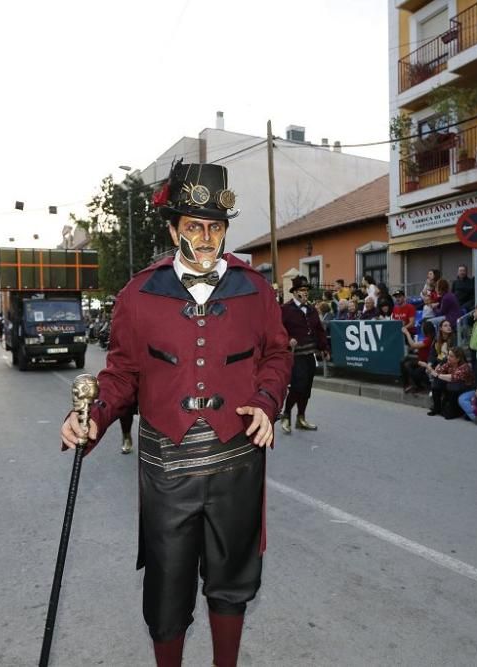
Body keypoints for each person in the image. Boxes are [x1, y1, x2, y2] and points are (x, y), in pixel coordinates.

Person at [59, 161, 291, 667]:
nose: (206, 238)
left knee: (232, 583)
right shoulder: (139, 294)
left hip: (237, 462)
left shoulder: (255, 290)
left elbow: (278, 354)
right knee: (167, 588)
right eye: (194, 227)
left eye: (215, 227)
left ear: (226, 230)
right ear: (173, 229)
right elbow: (121, 374)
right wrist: (93, 417)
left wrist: (268, 401)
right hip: (167, 468)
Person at [281, 275, 330, 434]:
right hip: (296, 355)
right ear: (294, 292)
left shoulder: (311, 309)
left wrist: (324, 348)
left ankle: (301, 418)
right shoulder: (285, 310)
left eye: (307, 290)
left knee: (307, 388)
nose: (305, 293)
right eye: (302, 290)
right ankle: (286, 415)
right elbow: (276, 331)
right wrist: (288, 340)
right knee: (297, 386)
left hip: (310, 354)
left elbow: (319, 330)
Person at [427, 346, 474, 417]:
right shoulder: (449, 363)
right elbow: (439, 371)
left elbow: (453, 377)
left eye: (451, 356)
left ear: (458, 359)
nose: (448, 357)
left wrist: (437, 375)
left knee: (452, 386)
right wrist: (434, 369)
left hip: (465, 388)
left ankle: (454, 412)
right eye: (448, 355)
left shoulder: (465, 367)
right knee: (436, 384)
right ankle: (437, 408)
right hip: (453, 385)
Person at [402, 320, 435, 394]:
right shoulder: (428, 338)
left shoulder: (428, 340)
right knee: (405, 363)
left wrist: (407, 333)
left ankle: (419, 386)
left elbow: (413, 345)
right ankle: (409, 385)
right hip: (421, 360)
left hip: (426, 362)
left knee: (414, 372)